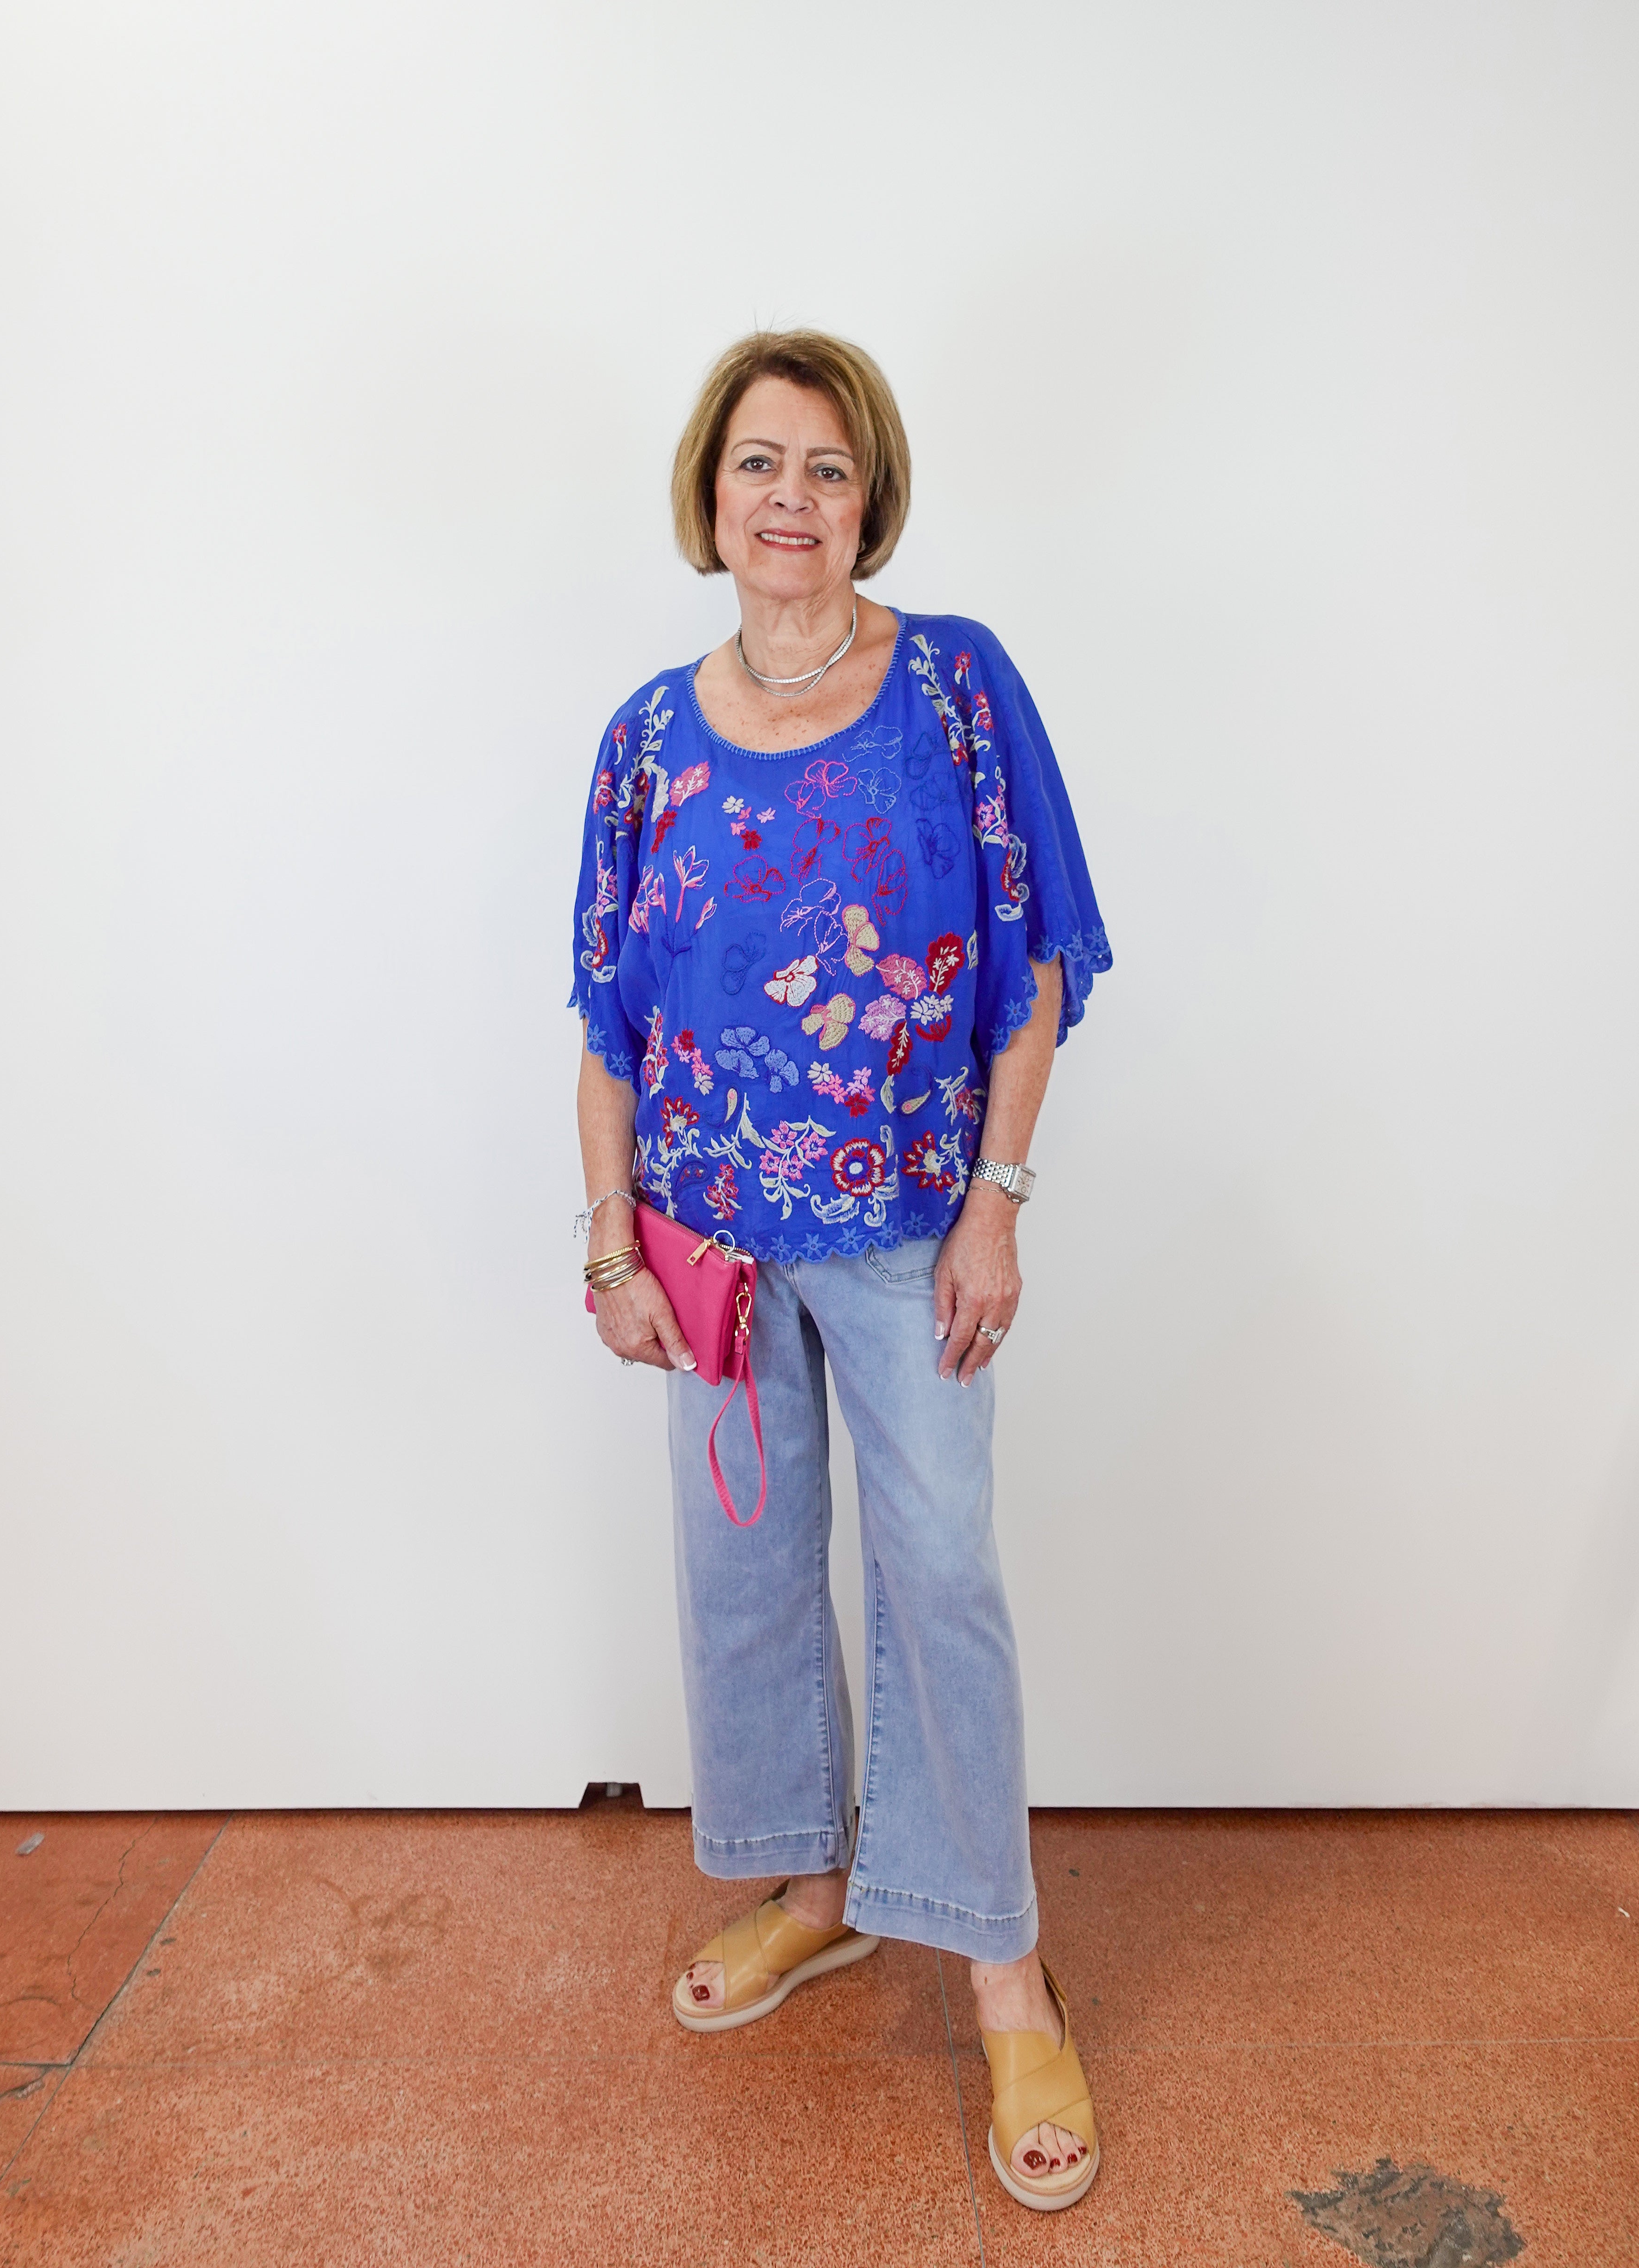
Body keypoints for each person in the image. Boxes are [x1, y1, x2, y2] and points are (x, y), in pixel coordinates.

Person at [569, 330, 1111, 2211]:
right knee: (745, 1574)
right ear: (706, 494)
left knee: (942, 1576)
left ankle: (1003, 1969)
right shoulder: (647, 731)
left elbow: (1033, 967)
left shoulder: (952, 684)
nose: (788, 499)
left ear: (869, 495)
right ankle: (816, 1889)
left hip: (904, 1231)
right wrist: (607, 1241)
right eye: (756, 465)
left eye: (824, 466)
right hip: (710, 1243)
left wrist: (998, 1200)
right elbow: (609, 1027)